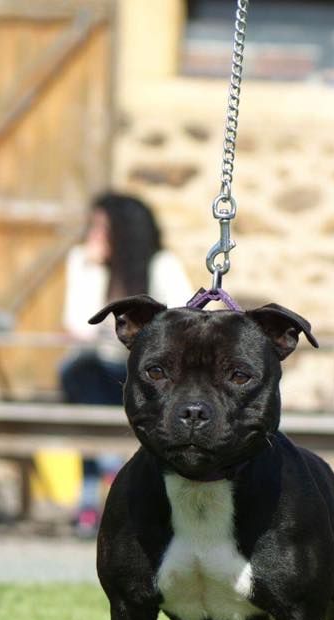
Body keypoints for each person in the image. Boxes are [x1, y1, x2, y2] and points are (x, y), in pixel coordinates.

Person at [60, 191, 193, 536]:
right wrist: (89, 268)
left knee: (128, 387)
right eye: (92, 227)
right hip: (98, 372)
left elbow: (183, 318)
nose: (93, 236)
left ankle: (97, 498)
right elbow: (76, 325)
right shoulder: (84, 262)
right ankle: (105, 476)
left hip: (146, 375)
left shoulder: (160, 265)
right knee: (76, 373)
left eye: (102, 228)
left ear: (125, 232)